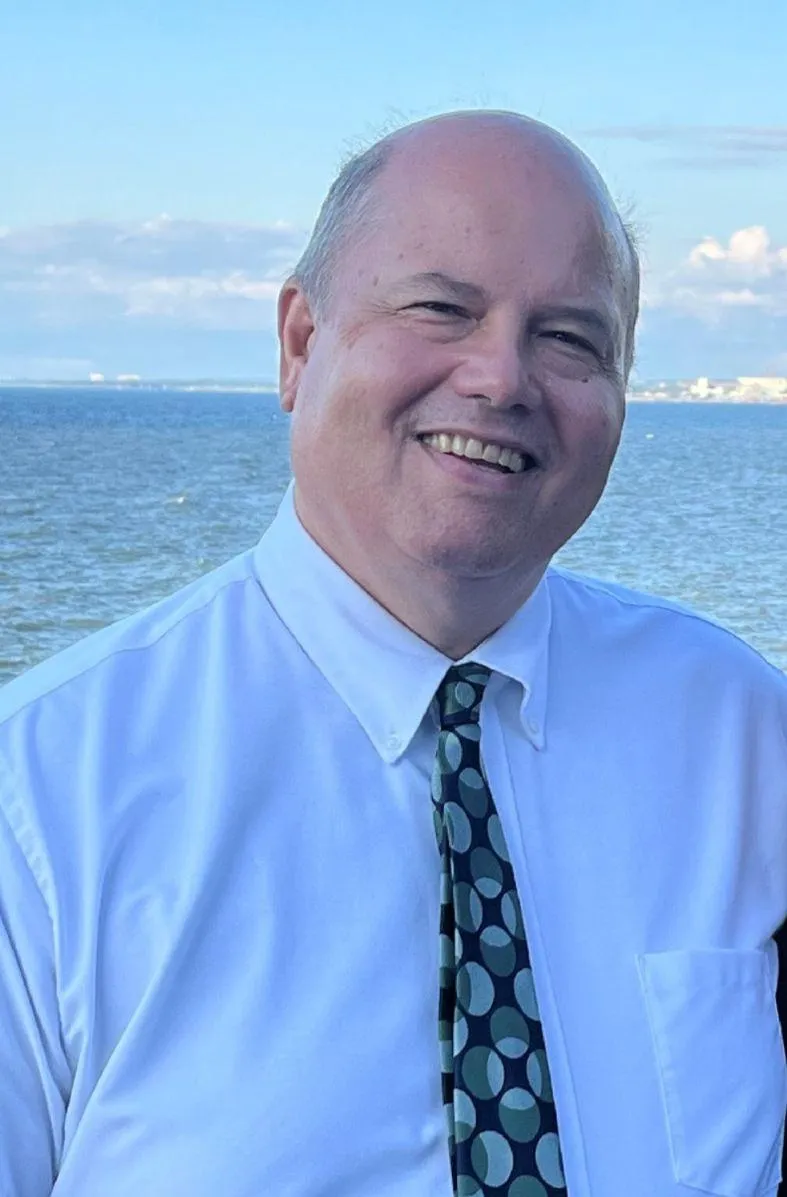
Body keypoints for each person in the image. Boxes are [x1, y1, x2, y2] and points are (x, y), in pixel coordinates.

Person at [0, 110, 785, 1197]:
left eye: (569, 338)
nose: (502, 379)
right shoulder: (41, 797)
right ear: (298, 343)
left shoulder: (742, 737)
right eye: (439, 309)